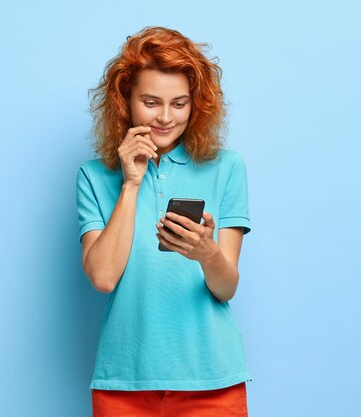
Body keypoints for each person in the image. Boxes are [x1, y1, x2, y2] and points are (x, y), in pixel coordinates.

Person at [76, 26, 252, 417]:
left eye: (179, 103)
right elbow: (103, 278)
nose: (166, 118)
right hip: (125, 381)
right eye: (151, 102)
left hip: (211, 379)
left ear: (196, 104)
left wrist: (207, 253)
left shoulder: (227, 168)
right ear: (125, 101)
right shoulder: (93, 176)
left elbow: (226, 288)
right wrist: (131, 184)